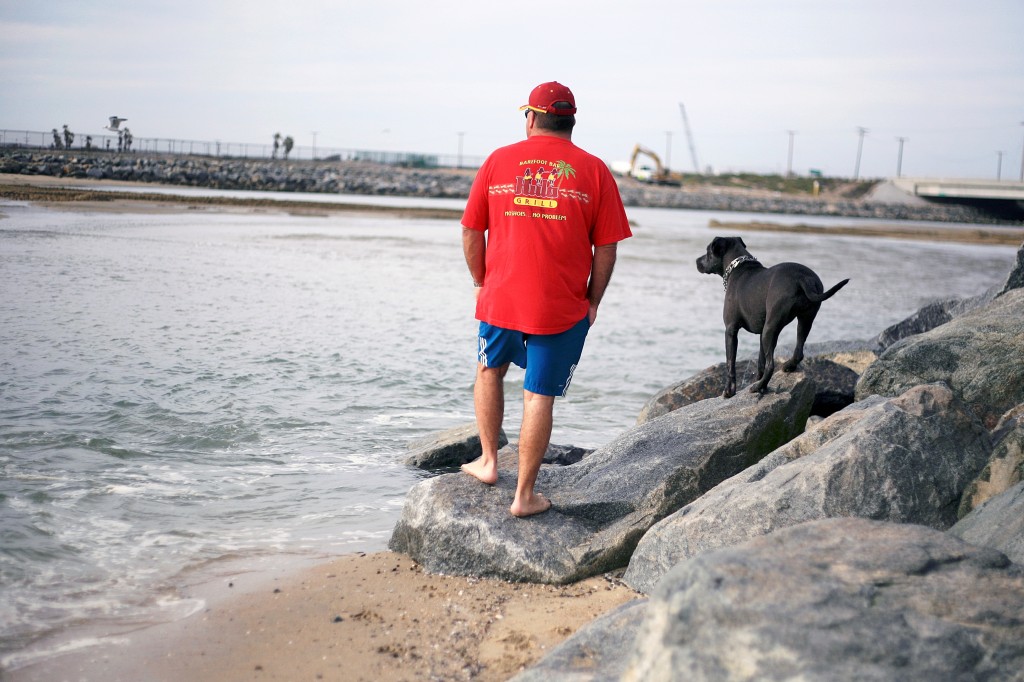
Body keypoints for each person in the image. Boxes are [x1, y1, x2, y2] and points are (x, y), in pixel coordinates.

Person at [460, 81, 632, 517]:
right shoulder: (594, 170)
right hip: (561, 304)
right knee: (538, 397)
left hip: (501, 296)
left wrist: (481, 281)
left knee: (488, 371)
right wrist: (594, 300)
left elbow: (470, 230)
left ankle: (488, 461)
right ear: (571, 122)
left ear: (531, 118)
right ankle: (524, 496)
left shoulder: (499, 160)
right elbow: (607, 246)